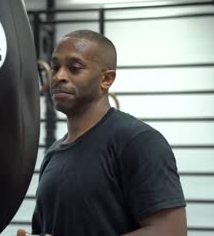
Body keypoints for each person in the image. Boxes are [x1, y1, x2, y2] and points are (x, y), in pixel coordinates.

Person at [17, 30, 186, 236]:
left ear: (106, 79)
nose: (59, 76)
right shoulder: (53, 155)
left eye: (74, 68)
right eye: (55, 67)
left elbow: (171, 232)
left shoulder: (138, 141)